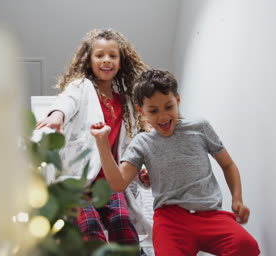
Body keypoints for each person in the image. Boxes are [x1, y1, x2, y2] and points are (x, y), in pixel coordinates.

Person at [90, 69, 261, 256]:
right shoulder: (142, 143)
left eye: (168, 107)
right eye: (153, 111)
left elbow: (228, 165)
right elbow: (118, 182)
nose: (163, 117)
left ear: (177, 100)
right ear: (141, 111)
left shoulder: (199, 127)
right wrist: (102, 143)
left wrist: (237, 199)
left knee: (247, 246)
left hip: (210, 214)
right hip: (171, 220)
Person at [35, 29, 153, 253]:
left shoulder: (126, 103)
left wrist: (142, 168)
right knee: (91, 232)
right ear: (89, 61)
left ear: (120, 62)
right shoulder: (81, 88)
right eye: (99, 55)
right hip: (79, 182)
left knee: (125, 231)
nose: (106, 60)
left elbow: (132, 146)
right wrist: (57, 116)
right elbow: (66, 101)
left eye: (112, 55)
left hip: (109, 184)